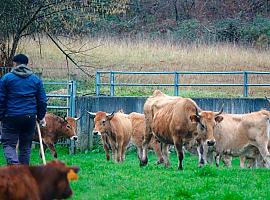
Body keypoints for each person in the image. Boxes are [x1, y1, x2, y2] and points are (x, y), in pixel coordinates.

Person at [0, 54, 47, 165]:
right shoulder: (35, 80)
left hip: (10, 117)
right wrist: (40, 116)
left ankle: (14, 166)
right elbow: (42, 101)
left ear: (14, 64)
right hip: (29, 117)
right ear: (27, 64)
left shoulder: (6, 78)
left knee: (9, 144)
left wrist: (1, 116)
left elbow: (1, 99)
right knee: (25, 146)